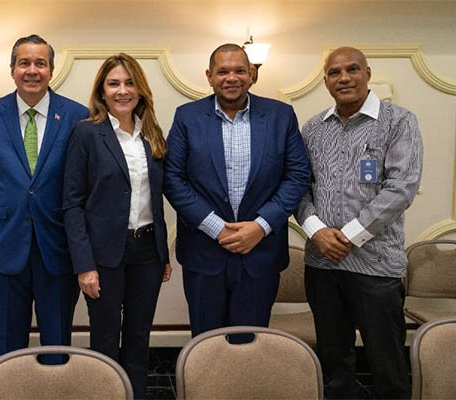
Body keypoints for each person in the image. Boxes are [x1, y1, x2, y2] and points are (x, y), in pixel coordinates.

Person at [297, 46, 422, 399]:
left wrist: (348, 236)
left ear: (368, 73)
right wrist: (317, 231)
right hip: (322, 265)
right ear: (326, 81)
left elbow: (401, 187)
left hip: (376, 268)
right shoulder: (313, 129)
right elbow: (299, 188)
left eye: (352, 69)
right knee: (334, 366)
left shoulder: (398, 121)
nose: (344, 78)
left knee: (388, 366)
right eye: (334, 73)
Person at [163, 43, 311, 338]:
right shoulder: (187, 117)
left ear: (252, 74)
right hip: (204, 254)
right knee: (206, 343)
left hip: (260, 253)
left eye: (239, 70)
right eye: (223, 72)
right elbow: (172, 178)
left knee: (250, 344)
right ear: (209, 76)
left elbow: (298, 175)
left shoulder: (281, 116)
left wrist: (260, 226)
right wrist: (216, 228)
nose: (231, 78)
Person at [0, 34, 88, 359]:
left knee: (57, 344)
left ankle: (55, 386)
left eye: (40, 63)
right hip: (3, 246)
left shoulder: (77, 115)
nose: (32, 70)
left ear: (51, 70)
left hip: (58, 248)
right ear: (11, 69)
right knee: (8, 345)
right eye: (24, 63)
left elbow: (84, 187)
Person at [62, 53, 171, 399]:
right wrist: (84, 265)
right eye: (114, 84)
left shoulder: (151, 133)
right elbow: (72, 203)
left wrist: (163, 255)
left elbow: (156, 199)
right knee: (105, 339)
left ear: (140, 90)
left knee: (139, 337)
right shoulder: (86, 133)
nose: (122, 90)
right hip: (103, 254)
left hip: (148, 252)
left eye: (129, 83)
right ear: (102, 91)